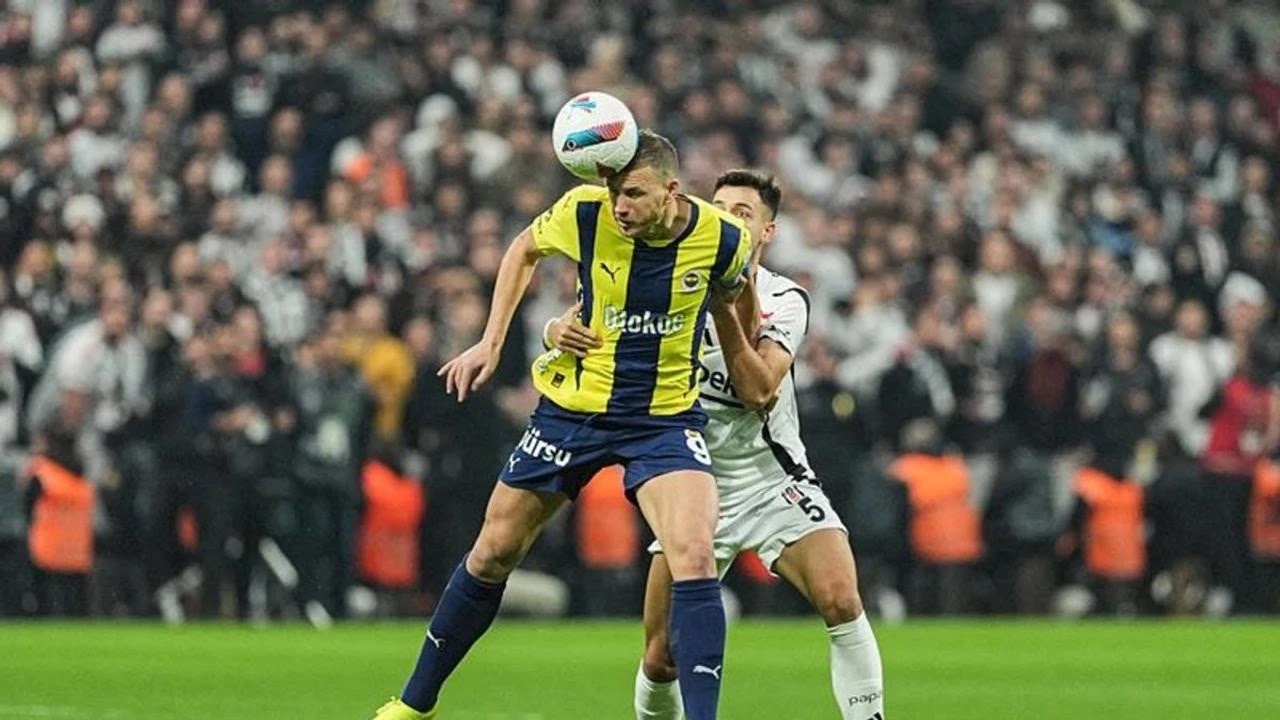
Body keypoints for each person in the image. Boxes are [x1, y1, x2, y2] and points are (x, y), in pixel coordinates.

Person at [373, 130, 753, 720]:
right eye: (613, 191)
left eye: (633, 194)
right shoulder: (584, 211)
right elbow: (522, 249)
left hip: (663, 420)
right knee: (492, 552)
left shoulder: (724, 237)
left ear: (672, 191)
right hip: (574, 410)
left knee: (695, 556)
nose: (619, 205)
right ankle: (415, 704)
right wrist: (494, 341)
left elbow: (736, 297)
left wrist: (751, 366)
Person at [547, 170, 885, 720]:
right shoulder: (666, 281)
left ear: (766, 232)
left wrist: (725, 302)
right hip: (689, 481)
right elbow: (595, 331)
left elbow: (758, 390)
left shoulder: (785, 299)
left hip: (770, 479)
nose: (728, 220)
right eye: (720, 208)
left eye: (743, 214)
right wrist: (554, 332)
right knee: (661, 658)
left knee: (842, 598)